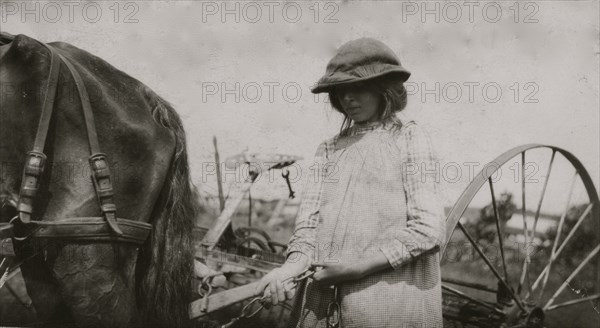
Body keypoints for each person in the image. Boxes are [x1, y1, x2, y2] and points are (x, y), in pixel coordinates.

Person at [255, 37, 446, 328]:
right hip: (321, 306)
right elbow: (307, 229)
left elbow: (428, 230)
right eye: (341, 90)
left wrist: (354, 268)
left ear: (385, 88)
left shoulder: (408, 139)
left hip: (387, 305)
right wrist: (288, 270)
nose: (348, 98)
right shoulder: (329, 150)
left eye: (358, 88)